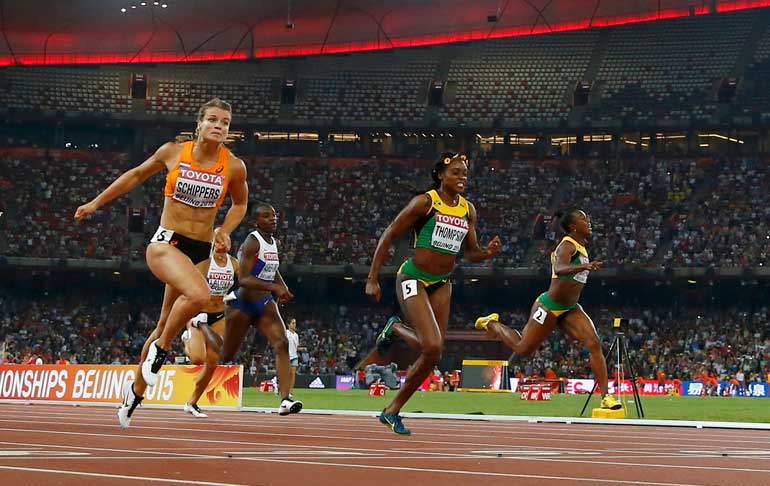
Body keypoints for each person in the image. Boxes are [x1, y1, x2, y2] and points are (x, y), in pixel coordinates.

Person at [74, 98, 248, 428]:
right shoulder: (173, 152)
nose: (219, 126)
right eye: (212, 119)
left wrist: (224, 229)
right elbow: (136, 175)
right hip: (167, 244)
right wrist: (96, 203)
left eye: (225, 122)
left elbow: (240, 204)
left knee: (163, 322)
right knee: (199, 296)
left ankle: (134, 394)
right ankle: (162, 352)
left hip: (200, 251)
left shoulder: (234, 166)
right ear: (199, 124)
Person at [366, 152, 502, 435]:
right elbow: (390, 234)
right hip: (414, 277)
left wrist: (486, 252)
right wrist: (373, 278)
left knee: (433, 355)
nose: (461, 177)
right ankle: (396, 328)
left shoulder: (468, 210)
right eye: (455, 173)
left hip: (442, 282)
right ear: (441, 175)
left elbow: (470, 252)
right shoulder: (425, 202)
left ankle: (392, 411)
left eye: (464, 173)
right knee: (433, 346)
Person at [474, 208, 622, 411]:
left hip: (570, 308)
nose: (588, 222)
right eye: (583, 219)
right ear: (573, 226)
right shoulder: (567, 245)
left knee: (594, 343)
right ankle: (490, 322)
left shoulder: (581, 246)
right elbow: (560, 269)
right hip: (549, 306)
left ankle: (606, 397)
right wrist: (584, 268)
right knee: (523, 348)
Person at [220, 203, 303, 416]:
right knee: (226, 356)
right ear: (255, 222)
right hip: (243, 304)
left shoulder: (273, 242)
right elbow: (244, 279)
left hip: (264, 303)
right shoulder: (251, 241)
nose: (273, 219)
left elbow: (271, 269)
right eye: (266, 216)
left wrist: (282, 286)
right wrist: (274, 287)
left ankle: (285, 400)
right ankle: (199, 326)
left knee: (282, 343)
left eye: (274, 215)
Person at [179, 244, 238, 418]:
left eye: (225, 239)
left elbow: (246, 283)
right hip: (198, 313)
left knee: (212, 363)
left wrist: (235, 295)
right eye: (217, 240)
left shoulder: (234, 264)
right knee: (197, 358)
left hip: (219, 314)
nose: (222, 244)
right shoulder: (204, 263)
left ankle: (192, 403)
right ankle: (187, 338)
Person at [284, 318, 306, 398]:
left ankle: (290, 392)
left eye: (295, 323)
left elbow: (296, 347)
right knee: (285, 375)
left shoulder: (296, 335)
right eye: (293, 323)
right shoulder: (285, 333)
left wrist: (302, 349)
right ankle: (280, 387)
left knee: (293, 375)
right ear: (288, 324)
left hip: (294, 356)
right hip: (286, 356)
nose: (294, 325)